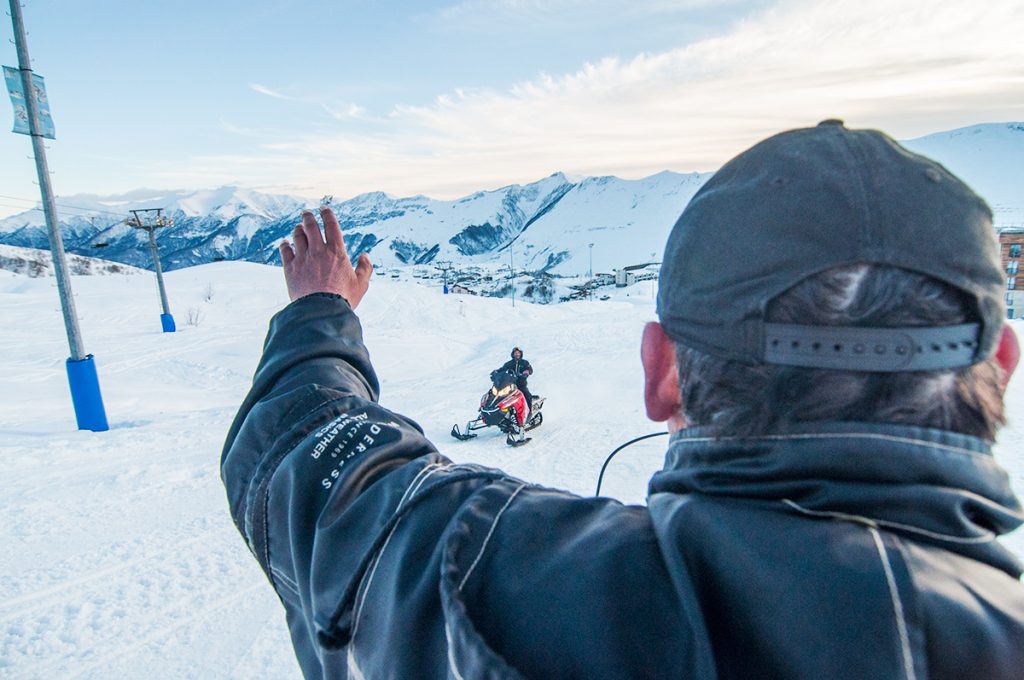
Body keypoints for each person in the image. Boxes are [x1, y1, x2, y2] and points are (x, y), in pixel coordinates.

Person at [221, 120, 1024, 679]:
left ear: (661, 372)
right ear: (1003, 362)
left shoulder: (529, 598)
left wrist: (318, 310)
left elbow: (310, 467)